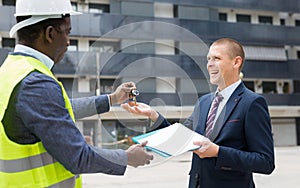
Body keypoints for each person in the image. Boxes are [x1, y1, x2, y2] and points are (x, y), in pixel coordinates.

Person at [0, 0, 153, 187]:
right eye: (67, 32)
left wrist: (112, 99)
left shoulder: (11, 72)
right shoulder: (37, 83)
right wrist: (127, 157)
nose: (68, 41)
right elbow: (77, 156)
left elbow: (59, 110)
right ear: (49, 33)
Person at [122, 38, 275, 187]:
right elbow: (178, 138)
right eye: (208, 59)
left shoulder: (252, 103)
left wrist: (218, 152)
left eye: (216, 58)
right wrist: (153, 115)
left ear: (236, 62)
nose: (210, 64)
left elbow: (265, 162)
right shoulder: (204, 102)